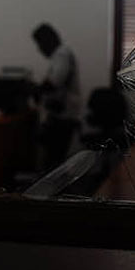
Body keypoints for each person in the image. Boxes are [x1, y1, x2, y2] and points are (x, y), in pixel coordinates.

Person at [32, 23, 81, 172]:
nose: (39, 49)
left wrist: (34, 89)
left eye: (39, 44)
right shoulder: (60, 54)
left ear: (48, 41)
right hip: (62, 115)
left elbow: (54, 83)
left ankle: (52, 194)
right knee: (54, 160)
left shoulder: (61, 54)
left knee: (53, 162)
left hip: (63, 116)